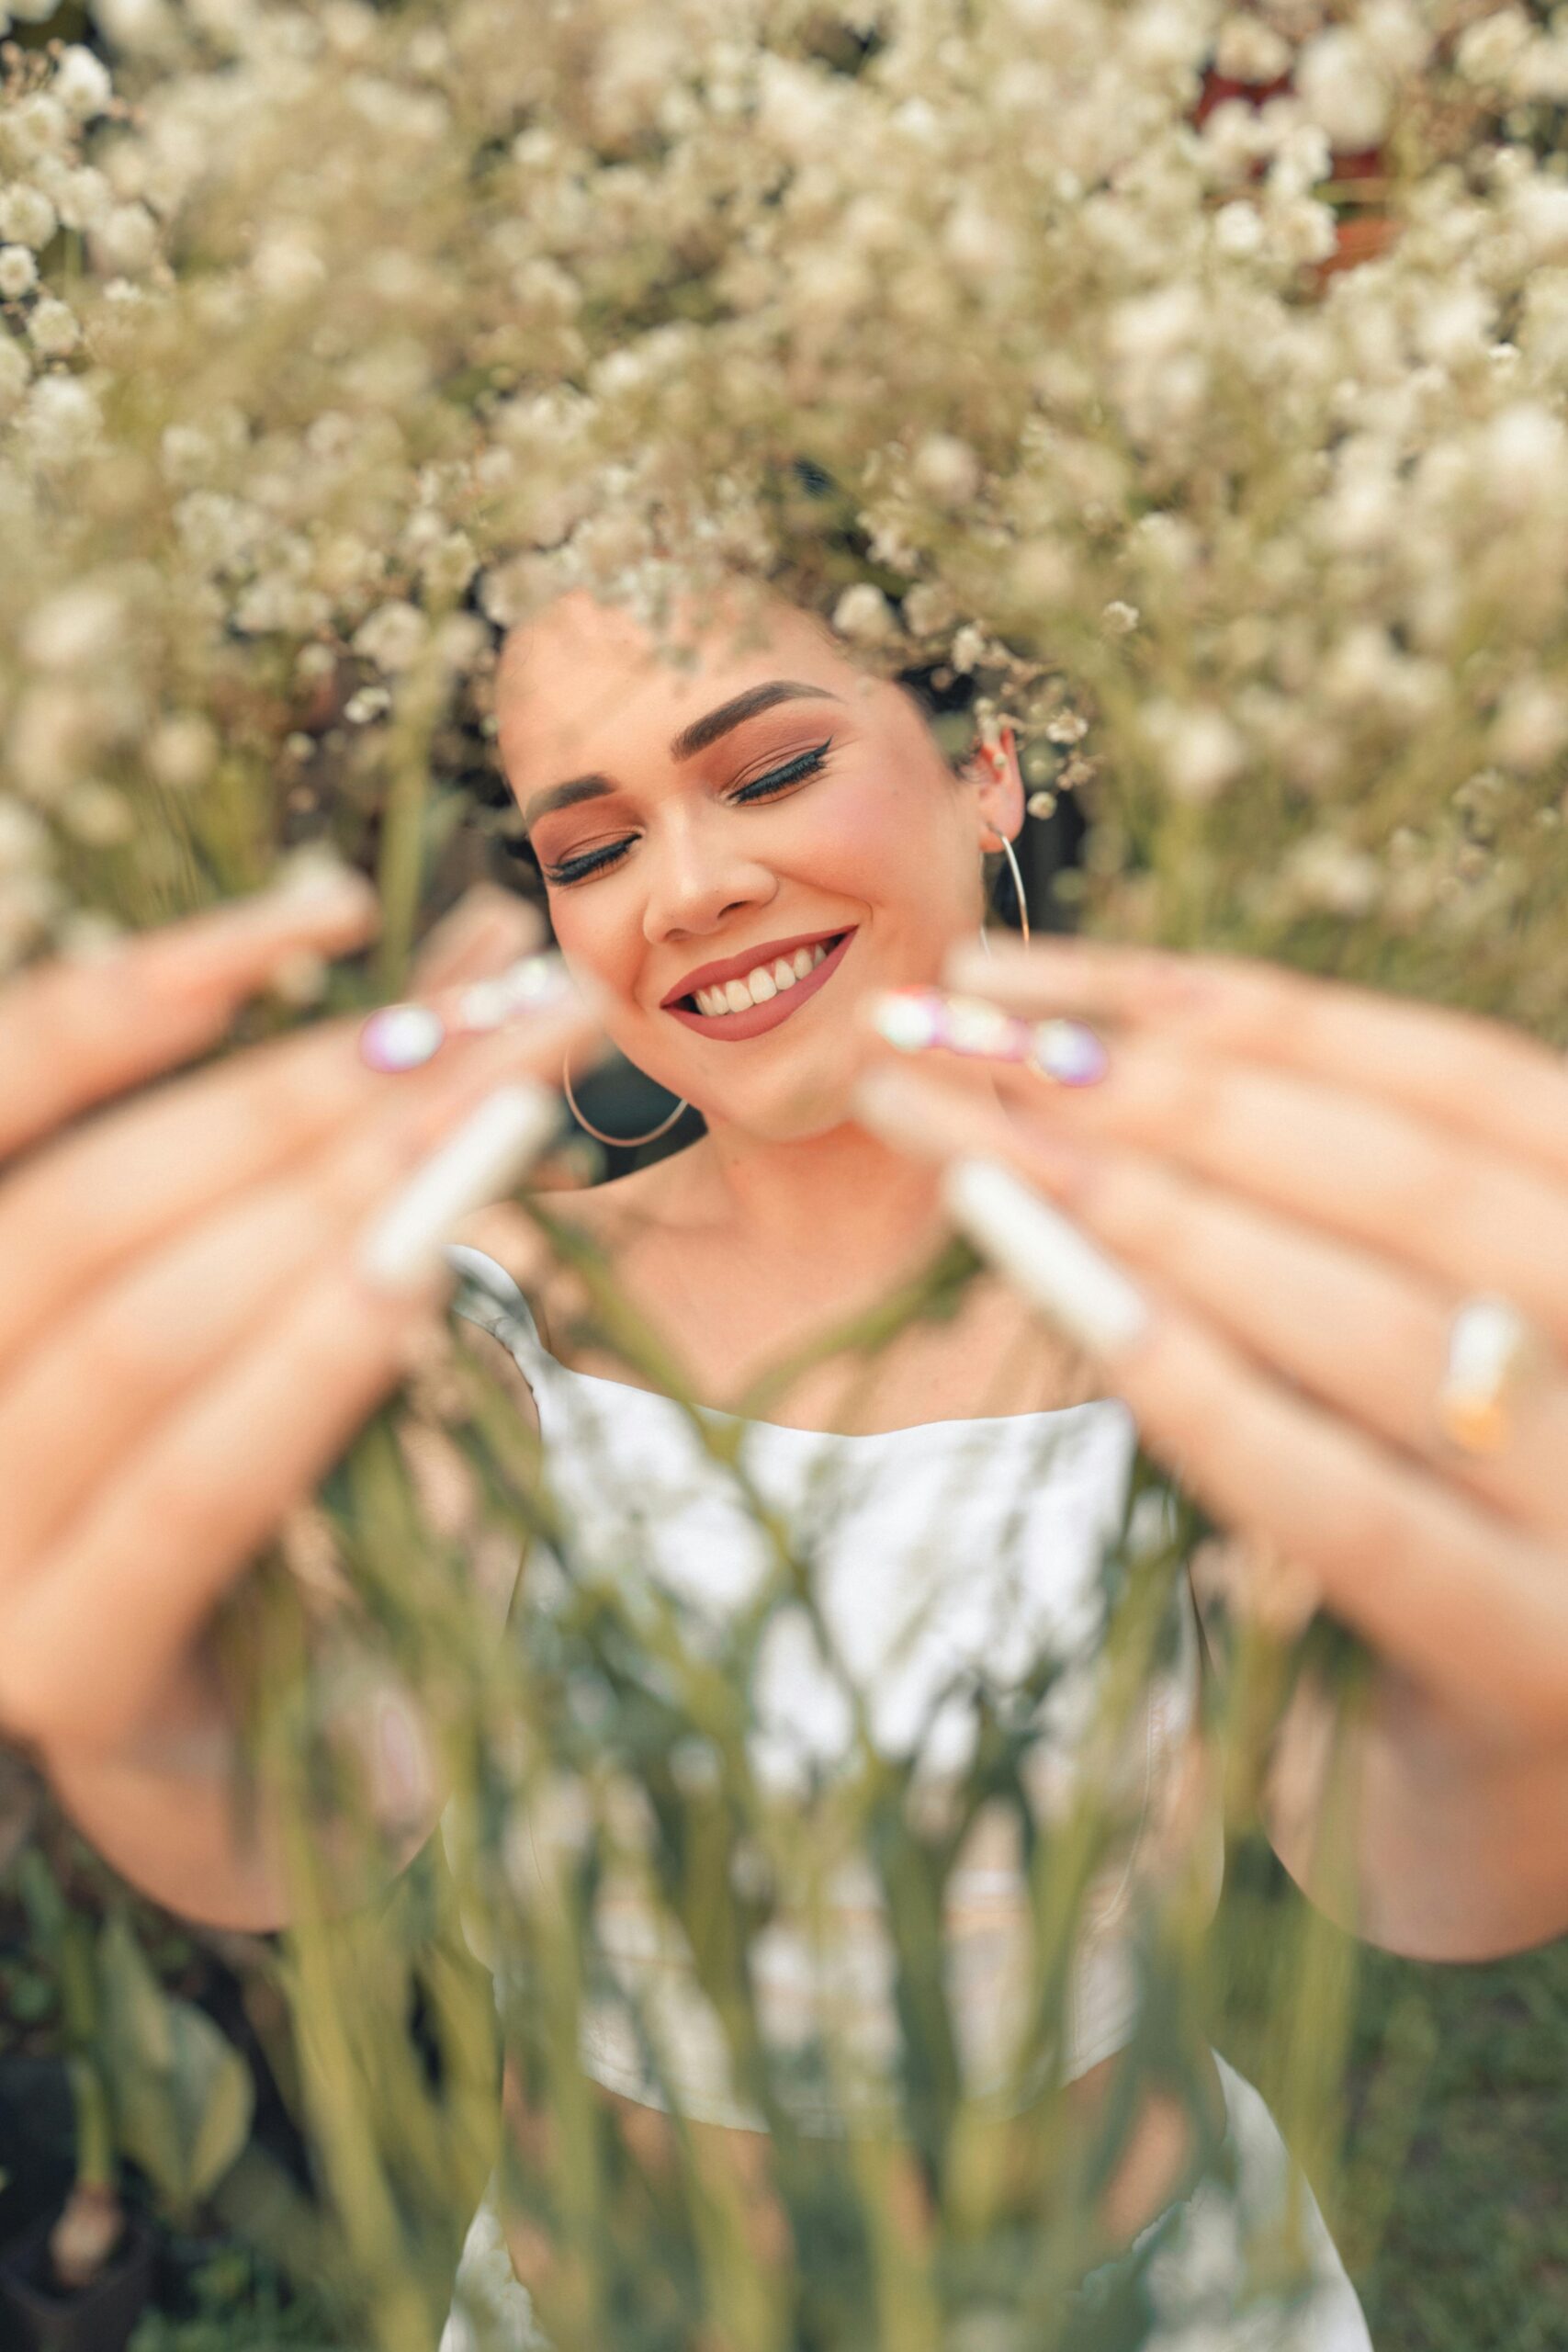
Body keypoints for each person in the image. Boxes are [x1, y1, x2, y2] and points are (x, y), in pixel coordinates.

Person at [2, 578, 1565, 2346]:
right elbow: (292, 1815)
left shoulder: (1194, 1286)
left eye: (770, 770)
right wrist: (133, 1699)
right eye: (590, 851)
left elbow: (1406, 1851)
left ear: (988, 769)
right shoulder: (487, 1320)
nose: (688, 890)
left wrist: (1530, 1687)